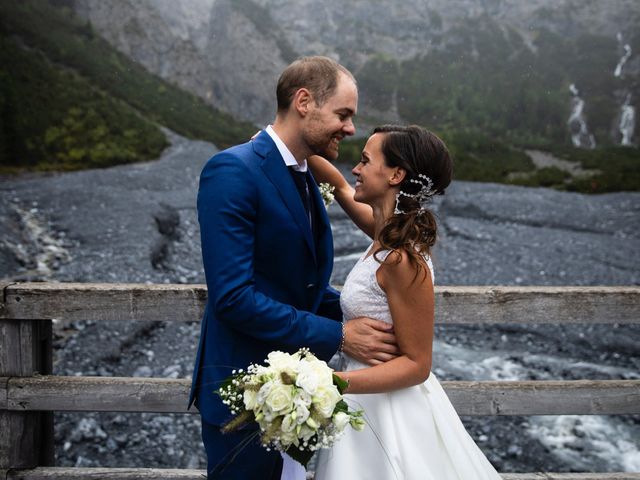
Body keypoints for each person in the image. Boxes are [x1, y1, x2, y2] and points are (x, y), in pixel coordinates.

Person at [188, 56, 399, 480]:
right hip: (244, 393)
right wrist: (340, 334)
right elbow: (232, 298)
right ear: (304, 101)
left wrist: (366, 315)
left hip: (301, 391)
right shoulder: (233, 171)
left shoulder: (304, 174)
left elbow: (302, 284)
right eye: (343, 114)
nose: (350, 128)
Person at [307, 125, 503, 479]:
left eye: (366, 161)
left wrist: (330, 383)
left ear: (396, 174)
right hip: (367, 397)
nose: (357, 169)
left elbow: (417, 364)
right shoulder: (387, 233)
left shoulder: (402, 259)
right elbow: (342, 187)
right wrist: (294, 147)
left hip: (388, 407)